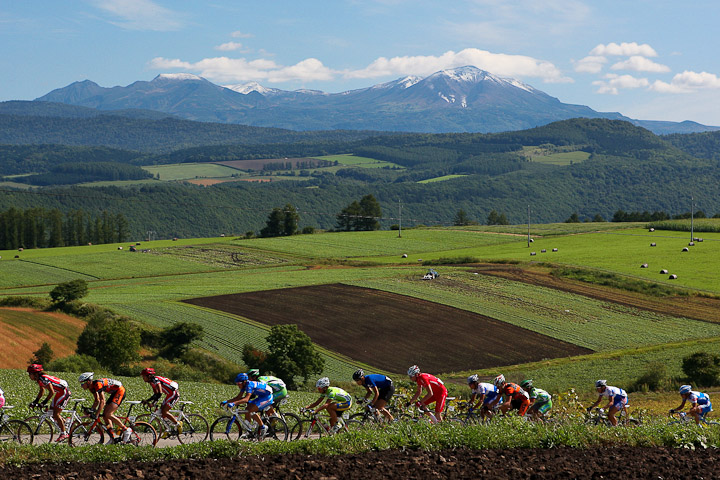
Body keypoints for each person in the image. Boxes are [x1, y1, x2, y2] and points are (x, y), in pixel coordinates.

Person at [79, 372, 133, 444]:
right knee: (105, 416)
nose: (81, 386)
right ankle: (112, 437)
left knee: (108, 414)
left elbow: (102, 401)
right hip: (114, 392)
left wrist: (97, 414)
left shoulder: (98, 384)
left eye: (82, 383)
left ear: (88, 382)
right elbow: (96, 400)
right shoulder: (91, 387)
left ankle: (126, 430)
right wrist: (92, 410)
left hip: (120, 390)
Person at [27, 364, 71, 442]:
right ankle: (65, 422)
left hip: (64, 392)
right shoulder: (39, 379)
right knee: (51, 412)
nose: (29, 376)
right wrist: (35, 401)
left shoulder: (43, 378)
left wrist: (44, 402)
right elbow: (42, 390)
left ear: (35, 373)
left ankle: (64, 433)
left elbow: (51, 392)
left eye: (30, 374)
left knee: (56, 414)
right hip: (59, 392)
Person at [222, 373, 274, 439]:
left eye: (239, 383)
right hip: (261, 396)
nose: (238, 385)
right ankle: (249, 431)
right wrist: (227, 401)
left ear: (244, 382)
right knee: (247, 409)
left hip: (267, 397)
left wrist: (234, 403)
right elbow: (238, 397)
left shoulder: (249, 385)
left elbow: (246, 399)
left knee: (251, 410)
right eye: (237, 383)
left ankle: (263, 427)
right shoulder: (244, 385)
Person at [140, 367, 182, 436]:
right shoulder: (151, 382)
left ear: (149, 376)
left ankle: (178, 424)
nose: (143, 378)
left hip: (174, 394)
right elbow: (155, 394)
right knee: (161, 413)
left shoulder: (156, 380)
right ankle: (169, 429)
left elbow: (159, 393)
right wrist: (147, 401)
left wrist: (153, 403)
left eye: (144, 376)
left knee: (164, 411)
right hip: (169, 395)